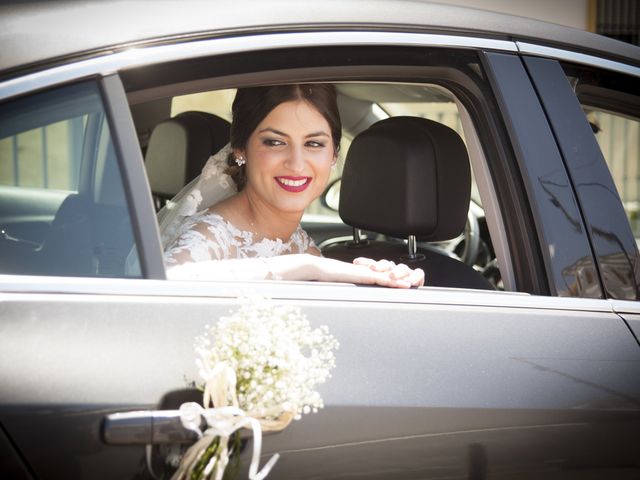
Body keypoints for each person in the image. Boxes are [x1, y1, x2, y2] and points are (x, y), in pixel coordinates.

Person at [161, 84, 424, 288]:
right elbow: (166, 282)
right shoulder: (208, 237)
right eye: (275, 142)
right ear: (241, 150)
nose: (297, 164)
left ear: (333, 154)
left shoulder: (298, 240)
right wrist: (307, 267)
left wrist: (382, 281)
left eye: (314, 144)